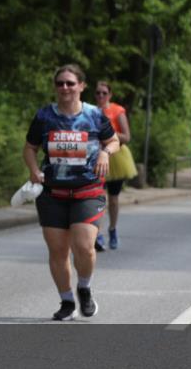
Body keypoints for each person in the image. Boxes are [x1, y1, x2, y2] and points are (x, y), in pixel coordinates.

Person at [23, 64, 120, 321]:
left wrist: (104, 152)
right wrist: (33, 170)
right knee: (57, 251)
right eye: (60, 83)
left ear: (81, 86)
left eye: (70, 83)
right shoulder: (44, 116)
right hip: (53, 192)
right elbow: (30, 148)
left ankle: (84, 287)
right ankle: (67, 302)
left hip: (88, 189)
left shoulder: (95, 115)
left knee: (85, 247)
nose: (65, 88)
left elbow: (114, 141)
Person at [93, 81, 136, 250]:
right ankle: (97, 233)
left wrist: (108, 133)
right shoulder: (90, 110)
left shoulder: (117, 111)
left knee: (113, 198)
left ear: (110, 95)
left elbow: (126, 137)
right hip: (96, 156)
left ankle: (113, 229)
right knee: (97, 197)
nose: (101, 96)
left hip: (116, 157)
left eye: (104, 93)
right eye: (98, 93)